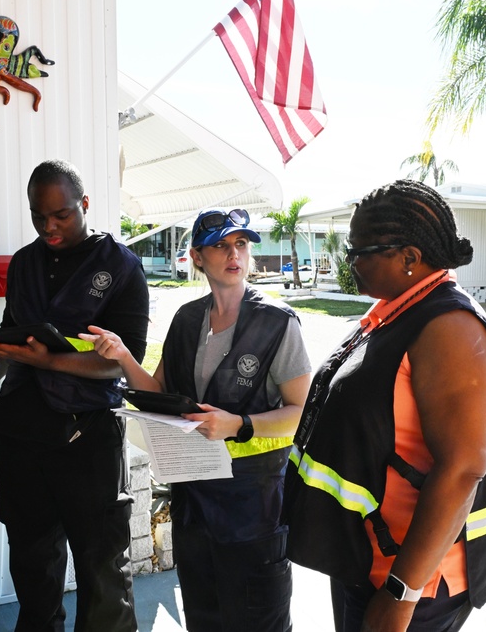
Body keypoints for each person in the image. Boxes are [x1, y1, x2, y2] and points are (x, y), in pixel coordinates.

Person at [283, 180, 486, 632]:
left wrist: (402, 595)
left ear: (409, 257)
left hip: (413, 586)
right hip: (367, 562)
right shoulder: (396, 312)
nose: (350, 262)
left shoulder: (449, 329)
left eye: (361, 250)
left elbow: (463, 469)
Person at [80, 207, 312, 632]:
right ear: (197, 257)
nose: (234, 253)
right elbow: (159, 396)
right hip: (195, 504)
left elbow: (301, 414)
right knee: (205, 619)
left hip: (253, 508)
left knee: (258, 621)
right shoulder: (188, 319)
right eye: (221, 245)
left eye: (241, 244)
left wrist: (239, 424)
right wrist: (123, 356)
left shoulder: (278, 323)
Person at [0, 159, 149, 632]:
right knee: (31, 559)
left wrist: (46, 361)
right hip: (22, 434)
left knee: (101, 566)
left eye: (61, 215)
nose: (49, 226)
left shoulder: (122, 268)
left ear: (84, 205)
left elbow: (121, 362)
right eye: (38, 215)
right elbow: (11, 336)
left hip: (87, 437)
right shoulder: (24, 261)